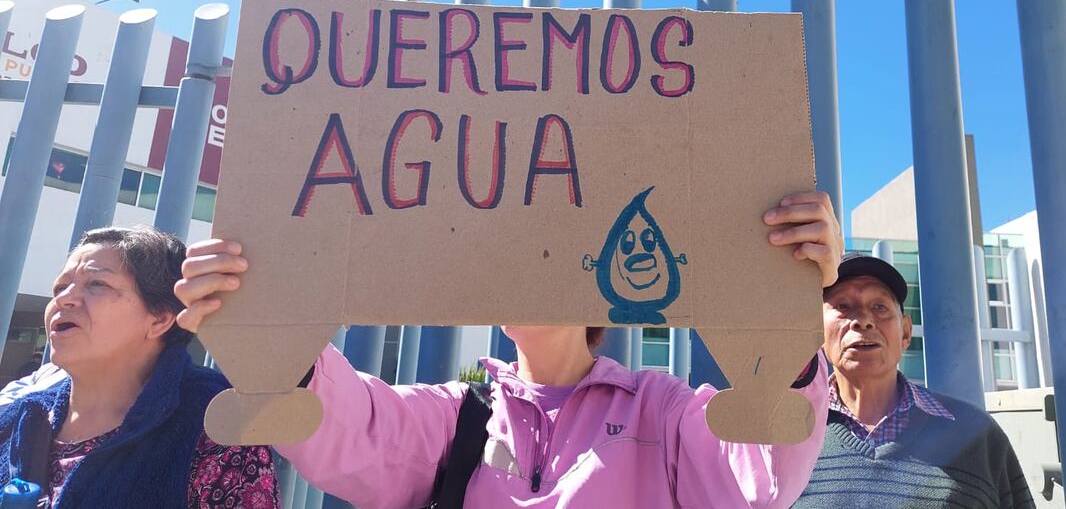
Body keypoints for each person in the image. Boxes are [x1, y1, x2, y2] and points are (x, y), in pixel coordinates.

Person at [175, 191, 842, 508]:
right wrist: (264, 314)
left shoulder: (661, 411)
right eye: (512, 257)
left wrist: (781, 303)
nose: (525, 269)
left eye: (547, 256)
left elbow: (760, 479)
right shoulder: (456, 415)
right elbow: (350, 427)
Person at [0, 226, 280, 508]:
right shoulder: (20, 417)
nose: (64, 298)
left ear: (160, 319)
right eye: (60, 287)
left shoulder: (215, 428)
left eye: (97, 284)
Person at [795, 253, 1035, 508]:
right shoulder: (784, 439)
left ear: (906, 333)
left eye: (879, 307)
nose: (863, 321)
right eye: (843, 306)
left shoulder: (977, 434)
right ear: (817, 331)